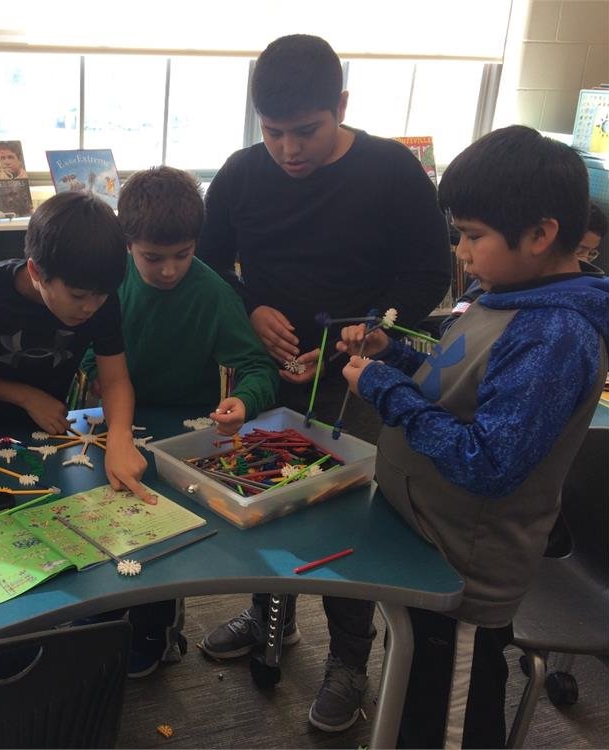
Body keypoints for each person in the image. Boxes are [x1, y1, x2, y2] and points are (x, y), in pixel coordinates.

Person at [196, 34, 452, 732]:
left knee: (349, 521)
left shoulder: (394, 172)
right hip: (269, 375)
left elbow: (431, 275)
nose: (289, 150)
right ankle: (265, 614)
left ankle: (350, 658)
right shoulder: (242, 174)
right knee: (259, 498)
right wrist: (251, 307)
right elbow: (210, 265)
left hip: (360, 382)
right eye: (272, 132)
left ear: (341, 105)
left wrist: (377, 330)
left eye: (305, 131)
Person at [336, 124, 608, 747]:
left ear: (541, 235)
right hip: (428, 542)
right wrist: (395, 357)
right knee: (414, 695)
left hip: (464, 575)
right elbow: (453, 383)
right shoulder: (501, 295)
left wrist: (385, 391)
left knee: (449, 721)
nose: (460, 251)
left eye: (472, 236)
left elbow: (486, 460)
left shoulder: (556, 334)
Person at [78, 166, 280, 677]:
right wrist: (87, 382)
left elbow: (257, 367)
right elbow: (80, 351)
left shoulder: (211, 293)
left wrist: (244, 401)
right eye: (153, 257)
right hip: (110, 428)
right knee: (101, 527)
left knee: (165, 541)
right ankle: (99, 616)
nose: (169, 270)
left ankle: (155, 625)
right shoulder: (106, 282)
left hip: (182, 438)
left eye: (182, 255)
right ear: (127, 244)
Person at [0, 191, 150, 498]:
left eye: (100, 296)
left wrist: (119, 439)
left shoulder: (102, 298)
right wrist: (26, 397)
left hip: (51, 436)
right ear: (36, 272)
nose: (90, 308)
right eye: (78, 296)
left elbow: (114, 380)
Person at [440, 199, 607, 335]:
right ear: (542, 237)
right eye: (578, 250)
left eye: (590, 253)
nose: (584, 260)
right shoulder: (497, 279)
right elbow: (452, 326)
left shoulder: (567, 327)